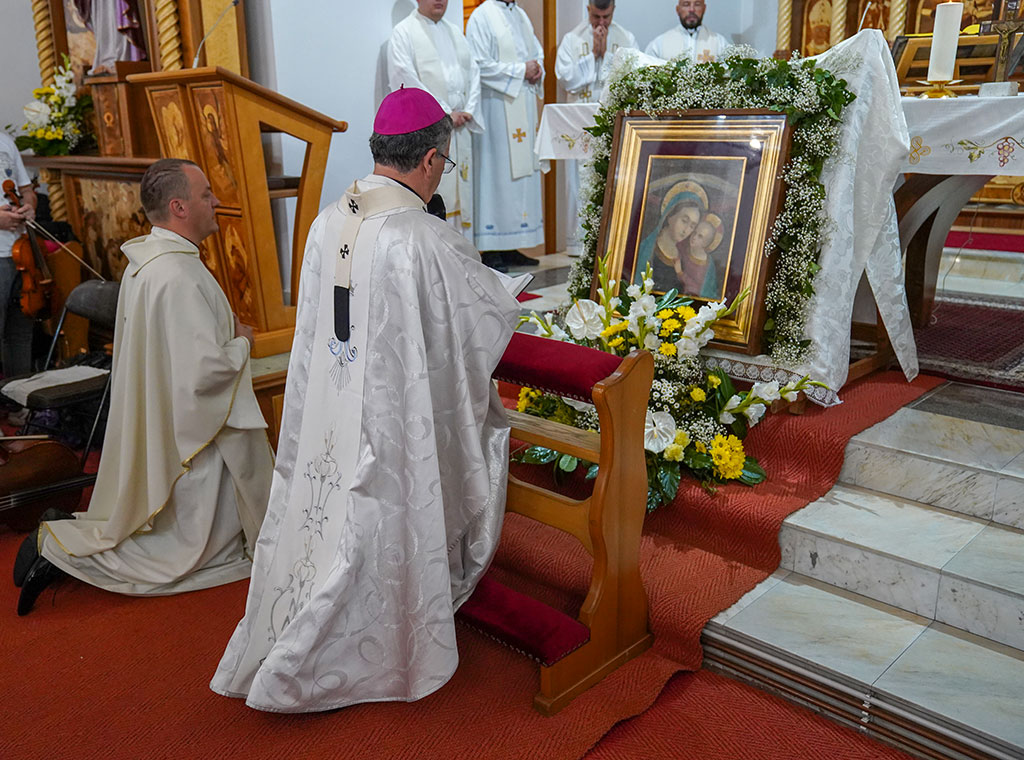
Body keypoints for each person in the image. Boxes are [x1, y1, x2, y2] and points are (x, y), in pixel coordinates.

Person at [209, 88, 521, 712]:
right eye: (446, 166)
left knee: (326, 518)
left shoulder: (329, 219)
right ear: (431, 160)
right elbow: (478, 317)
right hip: (389, 424)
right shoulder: (419, 237)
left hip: (331, 406)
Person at [14, 158, 274, 616]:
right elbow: (204, 374)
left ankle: (62, 543)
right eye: (205, 194)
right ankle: (58, 552)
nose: (215, 202)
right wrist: (242, 343)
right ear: (178, 206)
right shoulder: (177, 274)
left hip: (167, 418)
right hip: (194, 438)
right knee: (192, 551)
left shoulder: (149, 261)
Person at [388, 0, 483, 240]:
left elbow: (474, 72)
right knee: (439, 195)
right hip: (430, 131)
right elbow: (405, 79)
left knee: (464, 192)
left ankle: (466, 258)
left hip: (460, 129)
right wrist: (443, 114)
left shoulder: (455, 32)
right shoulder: (404, 32)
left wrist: (468, 109)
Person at [467, 0, 544, 270]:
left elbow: (537, 53)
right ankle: (490, 248)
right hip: (496, 109)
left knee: (519, 180)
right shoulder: (481, 16)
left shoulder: (520, 14)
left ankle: (511, 244)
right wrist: (521, 70)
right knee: (496, 176)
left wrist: (537, 69)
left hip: (521, 104)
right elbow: (478, 64)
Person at [555, 0, 637, 255]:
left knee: (614, 178)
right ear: (588, 9)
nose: (601, 24)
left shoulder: (626, 38)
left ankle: (612, 242)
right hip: (580, 124)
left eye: (607, 17)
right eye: (596, 17)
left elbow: (634, 75)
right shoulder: (571, 39)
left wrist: (606, 56)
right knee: (579, 182)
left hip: (612, 122)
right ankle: (579, 244)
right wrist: (592, 57)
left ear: (614, 11)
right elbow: (566, 79)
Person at [0, 132, 36, 382]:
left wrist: (30, 206)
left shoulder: (5, 141)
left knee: (21, 330)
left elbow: (27, 190)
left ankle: (19, 404)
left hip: (21, 251)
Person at [635, 184, 705, 292]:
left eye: (692, 226)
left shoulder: (682, 257)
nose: (686, 230)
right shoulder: (647, 249)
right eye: (684, 221)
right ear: (670, 216)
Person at [645, 0, 730, 63]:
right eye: (686, 4)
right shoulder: (659, 44)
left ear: (704, 9)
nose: (692, 9)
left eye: (697, 4)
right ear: (678, 9)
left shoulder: (720, 43)